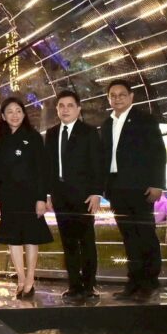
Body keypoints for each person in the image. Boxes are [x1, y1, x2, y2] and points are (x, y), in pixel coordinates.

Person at [100, 79, 166, 302]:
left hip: (141, 188)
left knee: (145, 235)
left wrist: (157, 184)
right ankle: (133, 282)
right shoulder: (107, 124)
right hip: (117, 188)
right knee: (128, 237)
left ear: (131, 96)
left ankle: (150, 283)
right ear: (108, 99)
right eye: (113, 95)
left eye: (121, 94)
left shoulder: (144, 120)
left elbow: (158, 153)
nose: (117, 98)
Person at [44, 89, 105, 304]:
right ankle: (74, 285)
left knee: (86, 241)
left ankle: (89, 286)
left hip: (83, 196)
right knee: (68, 242)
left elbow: (97, 164)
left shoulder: (89, 132)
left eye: (70, 105)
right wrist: (48, 194)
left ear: (78, 109)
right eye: (61, 106)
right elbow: (48, 166)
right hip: (60, 196)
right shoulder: (52, 133)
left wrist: (96, 193)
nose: (65, 109)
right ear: (57, 110)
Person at [0, 96, 51, 299]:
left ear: (24, 114)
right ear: (3, 116)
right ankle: (20, 278)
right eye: (9, 111)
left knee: (31, 237)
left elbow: (42, 170)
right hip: (8, 197)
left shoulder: (33, 138)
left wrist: (41, 198)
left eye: (18, 111)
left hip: (30, 196)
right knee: (13, 239)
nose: (14, 115)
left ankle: (30, 279)